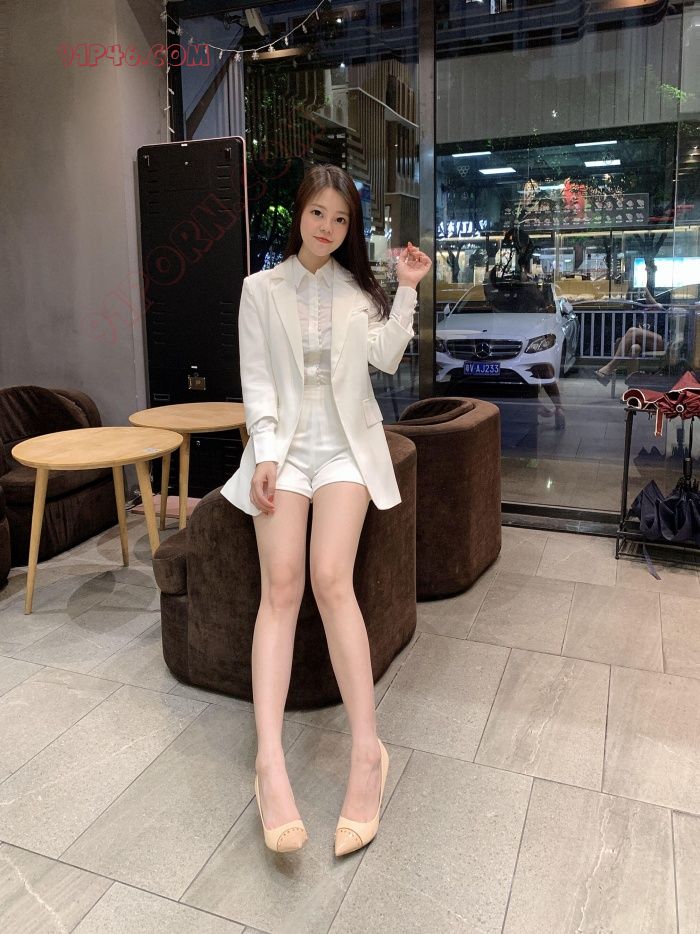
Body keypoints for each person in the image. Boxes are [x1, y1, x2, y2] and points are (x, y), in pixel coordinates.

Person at [220, 164, 432, 856]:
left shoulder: (356, 290)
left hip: (344, 448)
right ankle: (268, 762)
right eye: (319, 214)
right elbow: (256, 379)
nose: (328, 228)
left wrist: (407, 290)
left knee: (330, 579)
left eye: (341, 220)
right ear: (299, 213)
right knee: (279, 589)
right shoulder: (260, 289)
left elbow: (388, 358)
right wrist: (265, 451)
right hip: (283, 450)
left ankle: (368, 753)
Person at [595, 287, 665, 386]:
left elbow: (654, 303)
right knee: (634, 348)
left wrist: (644, 289)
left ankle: (609, 367)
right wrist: (628, 298)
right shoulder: (639, 309)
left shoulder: (658, 307)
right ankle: (633, 385)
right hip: (641, 342)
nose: (640, 297)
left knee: (633, 331)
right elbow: (626, 313)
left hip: (659, 341)